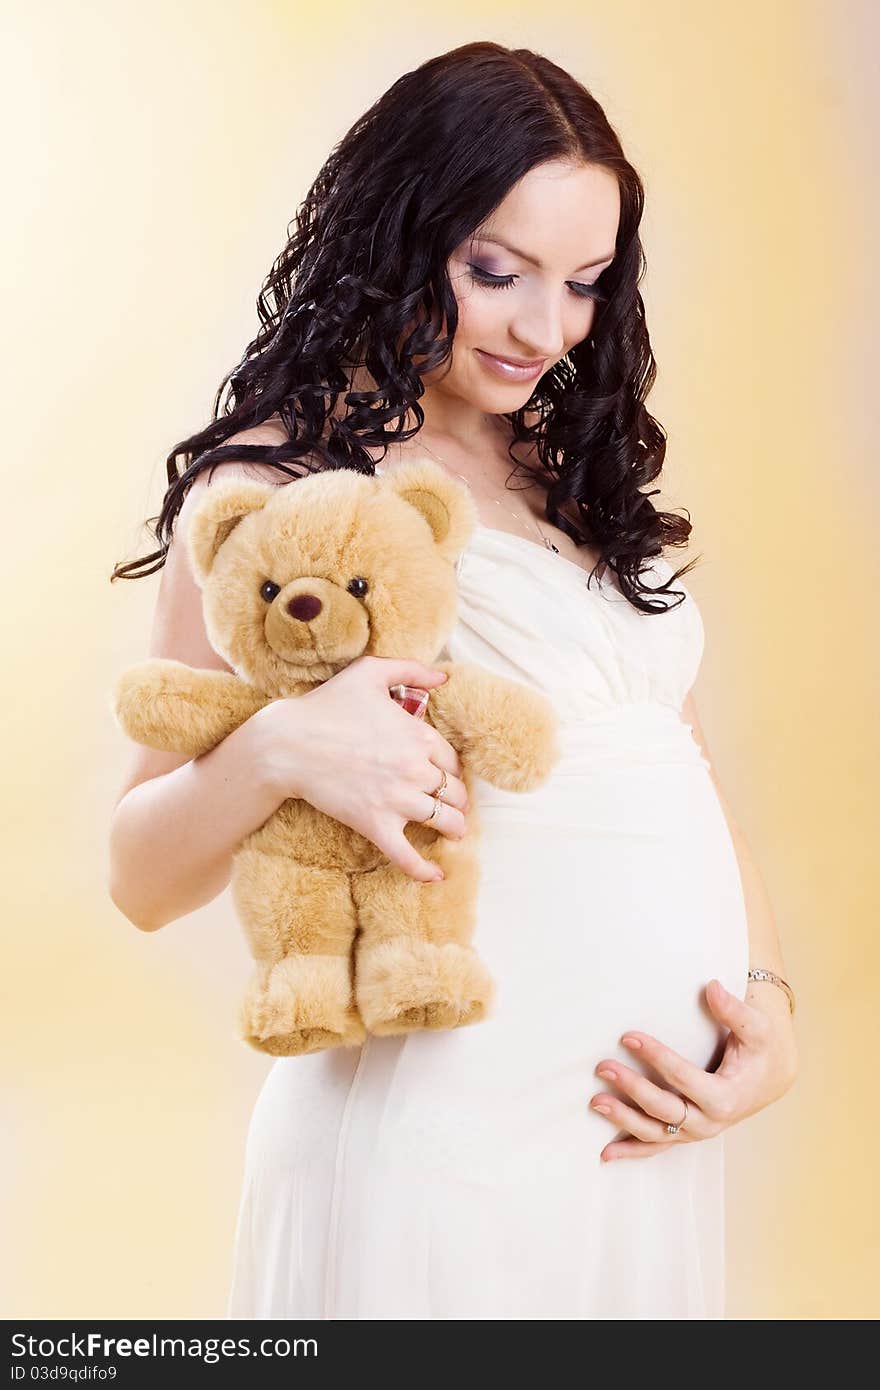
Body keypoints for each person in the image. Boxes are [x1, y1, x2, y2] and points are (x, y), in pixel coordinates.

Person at [109, 41, 798, 1319]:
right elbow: (139, 876)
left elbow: (671, 755)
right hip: (437, 1139)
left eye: (585, 283)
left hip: (629, 1137)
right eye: (497, 272)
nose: (546, 329)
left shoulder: (569, 468)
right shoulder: (281, 485)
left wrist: (766, 1006)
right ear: (400, 234)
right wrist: (277, 750)